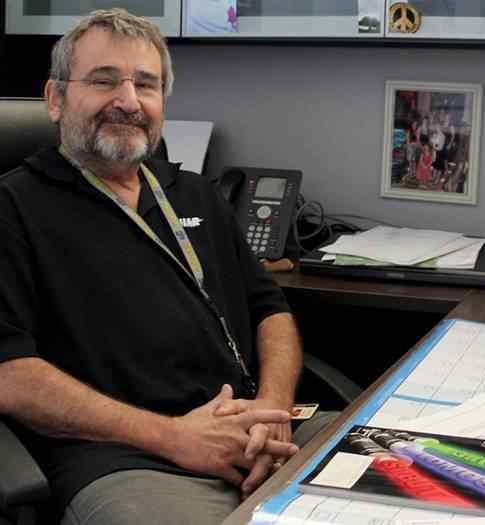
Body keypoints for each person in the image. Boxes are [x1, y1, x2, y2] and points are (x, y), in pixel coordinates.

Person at [0, 8, 311, 525]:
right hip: (130, 461)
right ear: (55, 99)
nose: (128, 101)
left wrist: (273, 411)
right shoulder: (14, 208)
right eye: (104, 81)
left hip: (254, 436)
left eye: (146, 84)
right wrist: (175, 438)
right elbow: (10, 374)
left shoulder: (194, 193)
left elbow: (270, 310)